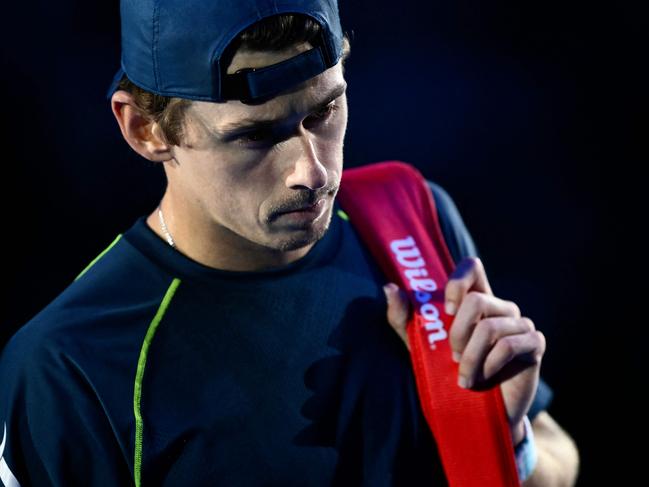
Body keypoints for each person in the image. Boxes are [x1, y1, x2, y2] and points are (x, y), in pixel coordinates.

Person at [0, 1, 579, 485]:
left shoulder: (407, 215)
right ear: (145, 130)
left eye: (325, 110)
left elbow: (560, 462)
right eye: (254, 135)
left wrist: (501, 439)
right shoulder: (67, 365)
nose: (313, 171)